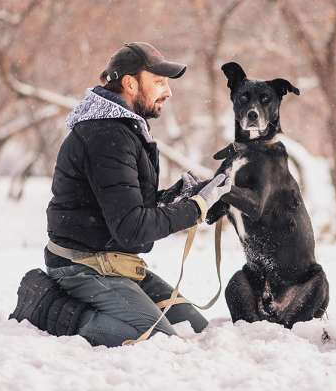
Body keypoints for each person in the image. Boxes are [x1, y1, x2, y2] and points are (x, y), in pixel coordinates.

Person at [38, 42, 230, 347]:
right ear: (130, 83)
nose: (168, 92)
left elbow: (128, 206)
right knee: (154, 338)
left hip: (118, 263)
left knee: (194, 328)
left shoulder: (123, 129)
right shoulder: (106, 135)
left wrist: (186, 195)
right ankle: (51, 308)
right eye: (158, 82)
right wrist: (195, 208)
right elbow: (132, 227)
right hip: (82, 267)